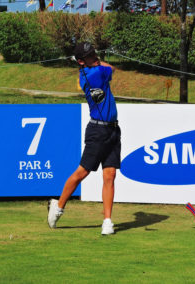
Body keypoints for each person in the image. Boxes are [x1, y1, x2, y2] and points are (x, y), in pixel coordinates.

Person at [47, 42, 121, 235]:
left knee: (110, 175)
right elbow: (111, 68)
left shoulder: (91, 69)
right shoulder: (93, 74)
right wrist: (99, 62)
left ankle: (107, 221)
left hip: (113, 130)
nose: (95, 57)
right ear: (81, 61)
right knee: (82, 172)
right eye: (90, 56)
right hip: (97, 131)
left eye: (95, 53)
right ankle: (58, 205)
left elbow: (104, 67)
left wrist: (94, 60)